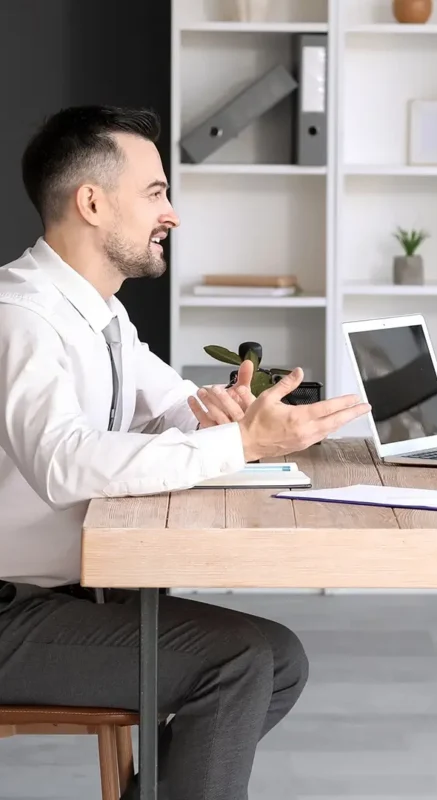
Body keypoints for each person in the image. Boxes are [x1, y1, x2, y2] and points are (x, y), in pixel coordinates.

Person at [0, 105, 370, 800]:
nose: (171, 213)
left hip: (74, 592)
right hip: (12, 613)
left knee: (278, 661)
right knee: (237, 664)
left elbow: (169, 399)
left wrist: (220, 409)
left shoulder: (100, 311)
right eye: (155, 193)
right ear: (91, 201)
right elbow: (62, 463)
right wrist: (237, 442)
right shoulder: (21, 317)